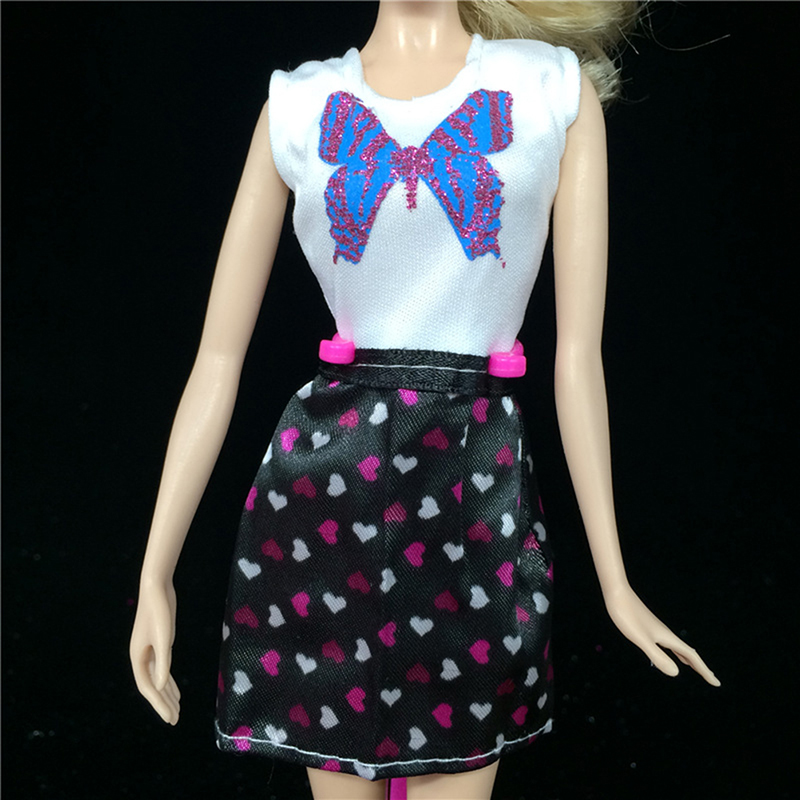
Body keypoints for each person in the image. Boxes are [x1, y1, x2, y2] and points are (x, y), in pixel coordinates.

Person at [130, 2, 720, 799]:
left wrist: (616, 580)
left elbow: (579, 359)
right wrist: (155, 572)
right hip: (327, 495)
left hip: (474, 486)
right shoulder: (299, 105)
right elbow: (216, 358)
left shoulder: (548, 92)